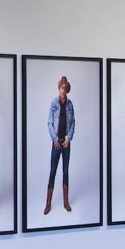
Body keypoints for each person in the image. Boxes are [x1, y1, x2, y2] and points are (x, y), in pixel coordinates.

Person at [44, 75, 75, 214]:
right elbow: (49, 122)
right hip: (56, 143)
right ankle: (48, 203)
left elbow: (73, 122)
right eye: (61, 87)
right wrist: (54, 138)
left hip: (66, 143)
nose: (62, 90)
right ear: (59, 88)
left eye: (65, 88)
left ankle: (66, 202)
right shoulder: (54, 103)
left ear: (67, 89)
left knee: (65, 172)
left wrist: (69, 138)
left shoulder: (70, 104)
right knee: (52, 172)